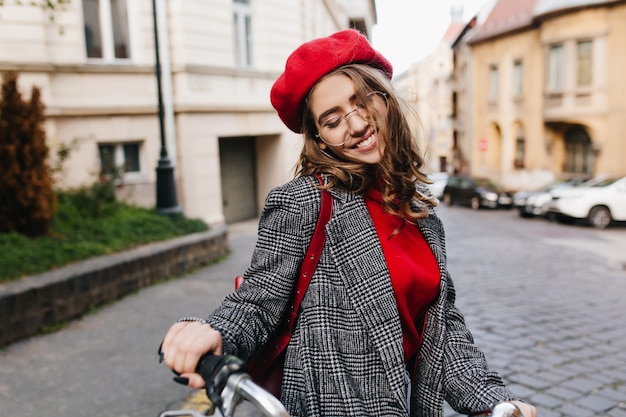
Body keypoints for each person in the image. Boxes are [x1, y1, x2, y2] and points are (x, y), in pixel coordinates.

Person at [160, 29, 537, 417]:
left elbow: (444, 330)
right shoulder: (304, 200)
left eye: (362, 101)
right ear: (320, 138)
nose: (356, 125)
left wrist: (494, 401)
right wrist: (213, 332)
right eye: (332, 119)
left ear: (386, 98)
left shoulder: (422, 213)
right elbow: (259, 300)